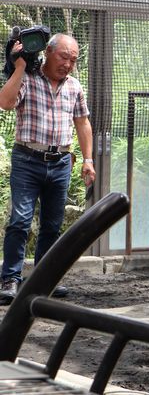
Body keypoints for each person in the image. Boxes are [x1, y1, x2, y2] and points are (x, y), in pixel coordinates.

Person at [0, 33, 95, 306]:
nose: (68, 64)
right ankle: (10, 279)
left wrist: (88, 160)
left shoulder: (74, 86)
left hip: (61, 161)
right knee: (19, 221)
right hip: (27, 159)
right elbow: (5, 103)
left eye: (73, 60)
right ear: (48, 53)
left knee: (52, 226)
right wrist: (18, 67)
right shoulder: (28, 78)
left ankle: (44, 280)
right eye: (64, 57)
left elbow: (83, 123)